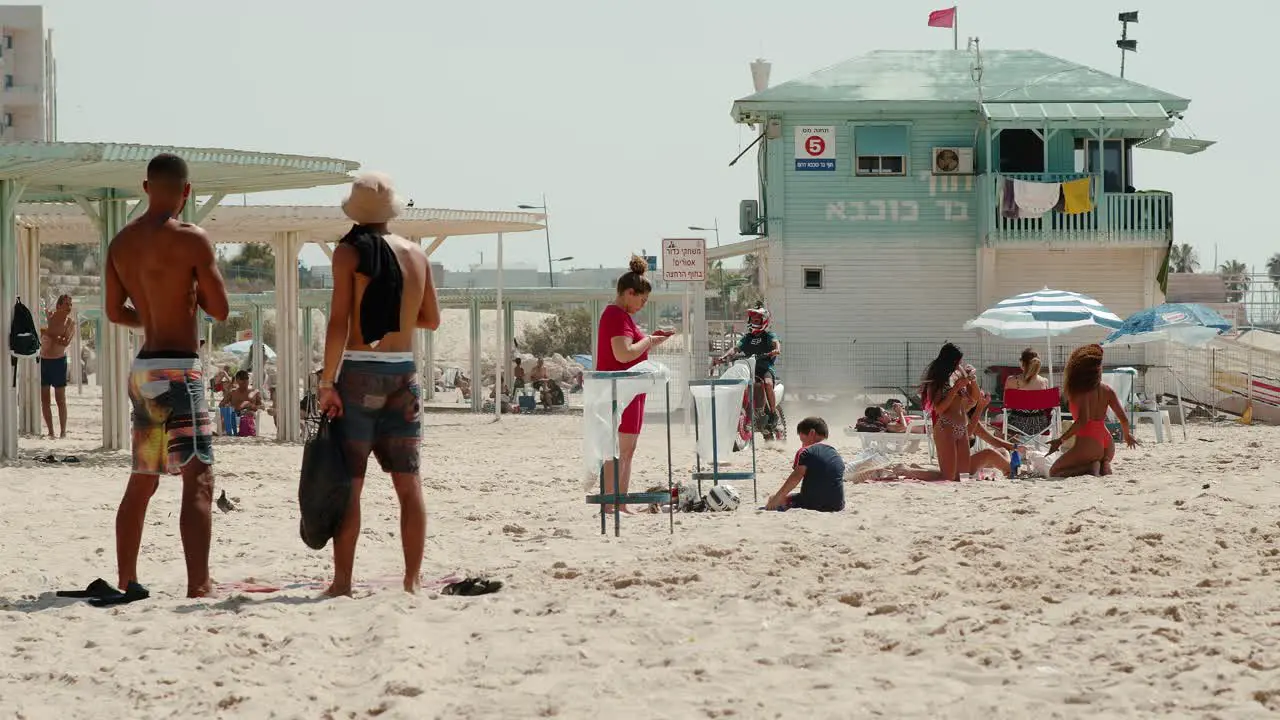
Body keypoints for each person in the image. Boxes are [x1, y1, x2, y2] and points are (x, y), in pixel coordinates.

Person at [103, 153, 230, 599]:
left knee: (144, 477)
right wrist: (187, 300)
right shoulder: (193, 240)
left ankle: (126, 579)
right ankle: (199, 583)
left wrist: (155, 313)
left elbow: (115, 311)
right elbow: (220, 309)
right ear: (186, 192)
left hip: (144, 371)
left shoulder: (120, 244)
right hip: (179, 369)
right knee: (198, 477)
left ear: (145, 187)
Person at [317, 171, 440, 596]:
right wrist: (398, 317)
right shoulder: (415, 254)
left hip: (359, 371)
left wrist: (326, 380)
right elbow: (432, 319)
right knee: (409, 483)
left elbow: (338, 321)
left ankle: (342, 582)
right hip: (403, 372)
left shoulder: (348, 254)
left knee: (352, 482)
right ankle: (412, 581)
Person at [595, 255, 671, 515]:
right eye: (642, 299)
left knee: (626, 450)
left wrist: (651, 340)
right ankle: (610, 505)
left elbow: (631, 350)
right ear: (629, 292)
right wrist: (649, 340)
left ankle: (620, 503)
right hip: (619, 390)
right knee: (616, 450)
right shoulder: (615, 315)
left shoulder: (622, 316)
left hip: (629, 391)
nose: (642, 305)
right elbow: (623, 354)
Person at [1047, 344, 1137, 477]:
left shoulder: (1082, 391)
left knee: (1054, 471)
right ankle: (1104, 463)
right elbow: (1123, 418)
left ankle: (1090, 467)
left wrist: (1060, 440)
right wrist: (1127, 436)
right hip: (1107, 443)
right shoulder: (1107, 390)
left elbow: (1083, 420)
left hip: (1088, 442)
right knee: (1100, 461)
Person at [716, 305, 781, 426]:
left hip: (764, 368)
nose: (754, 322)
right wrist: (724, 357)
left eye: (757, 320)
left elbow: (776, 343)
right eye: (752, 320)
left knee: (767, 383)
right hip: (748, 369)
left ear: (764, 321)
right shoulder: (747, 338)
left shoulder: (769, 335)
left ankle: (773, 413)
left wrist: (776, 350)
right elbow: (735, 348)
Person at [921, 342, 977, 481]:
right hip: (945, 426)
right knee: (948, 477)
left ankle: (916, 469)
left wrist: (972, 381)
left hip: (961, 427)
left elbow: (974, 400)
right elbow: (939, 408)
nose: (960, 365)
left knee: (963, 477)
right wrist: (956, 388)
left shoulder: (956, 376)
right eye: (958, 362)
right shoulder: (937, 381)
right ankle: (907, 471)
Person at [764, 417, 845, 511]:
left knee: (776, 498)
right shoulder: (835, 453)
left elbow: (795, 478)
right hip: (837, 505)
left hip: (812, 504)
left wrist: (777, 498)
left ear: (812, 433)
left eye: (802, 440)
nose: (802, 445)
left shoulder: (805, 451)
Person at [38, 294, 74, 438]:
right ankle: (51, 431)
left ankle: (63, 431)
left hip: (59, 362)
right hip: (44, 361)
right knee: (45, 399)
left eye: (70, 304)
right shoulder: (48, 318)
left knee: (61, 399)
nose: (69, 307)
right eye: (66, 304)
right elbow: (40, 334)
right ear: (58, 306)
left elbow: (65, 342)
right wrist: (52, 333)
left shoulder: (69, 323)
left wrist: (50, 334)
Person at [1004, 348, 1052, 440]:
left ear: (1022, 363)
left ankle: (1013, 446)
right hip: (1041, 425)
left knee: (1000, 420)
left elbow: (1006, 404)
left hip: (1017, 425)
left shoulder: (1011, 381)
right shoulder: (1044, 382)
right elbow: (1048, 408)